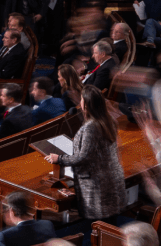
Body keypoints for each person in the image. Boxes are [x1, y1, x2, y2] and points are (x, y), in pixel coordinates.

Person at [43, 87, 127, 222]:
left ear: (86, 105)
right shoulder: (109, 121)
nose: (80, 102)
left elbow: (83, 157)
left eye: (81, 99)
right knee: (110, 220)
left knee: (100, 223)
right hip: (110, 176)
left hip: (97, 182)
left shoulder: (91, 127)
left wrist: (59, 158)